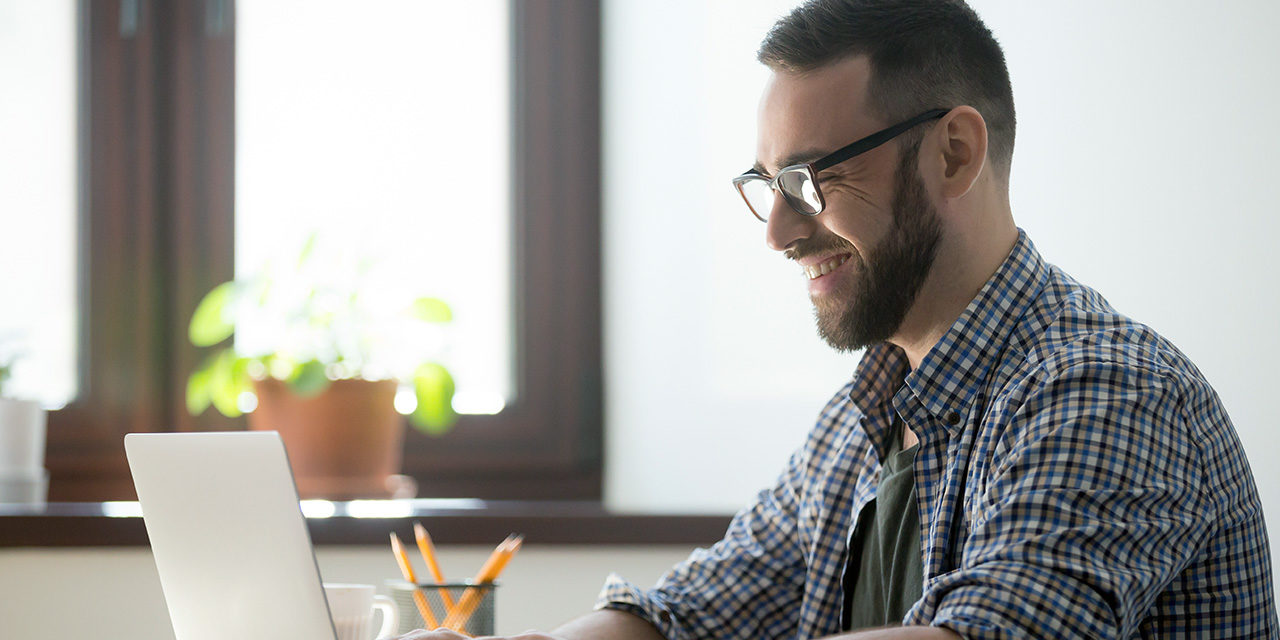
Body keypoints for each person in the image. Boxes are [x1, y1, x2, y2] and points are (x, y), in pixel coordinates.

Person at [394, 0, 1277, 638]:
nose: (779, 231)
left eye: (812, 180)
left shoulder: (1106, 389)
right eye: (768, 186)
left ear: (955, 153)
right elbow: (690, 615)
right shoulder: (865, 417)